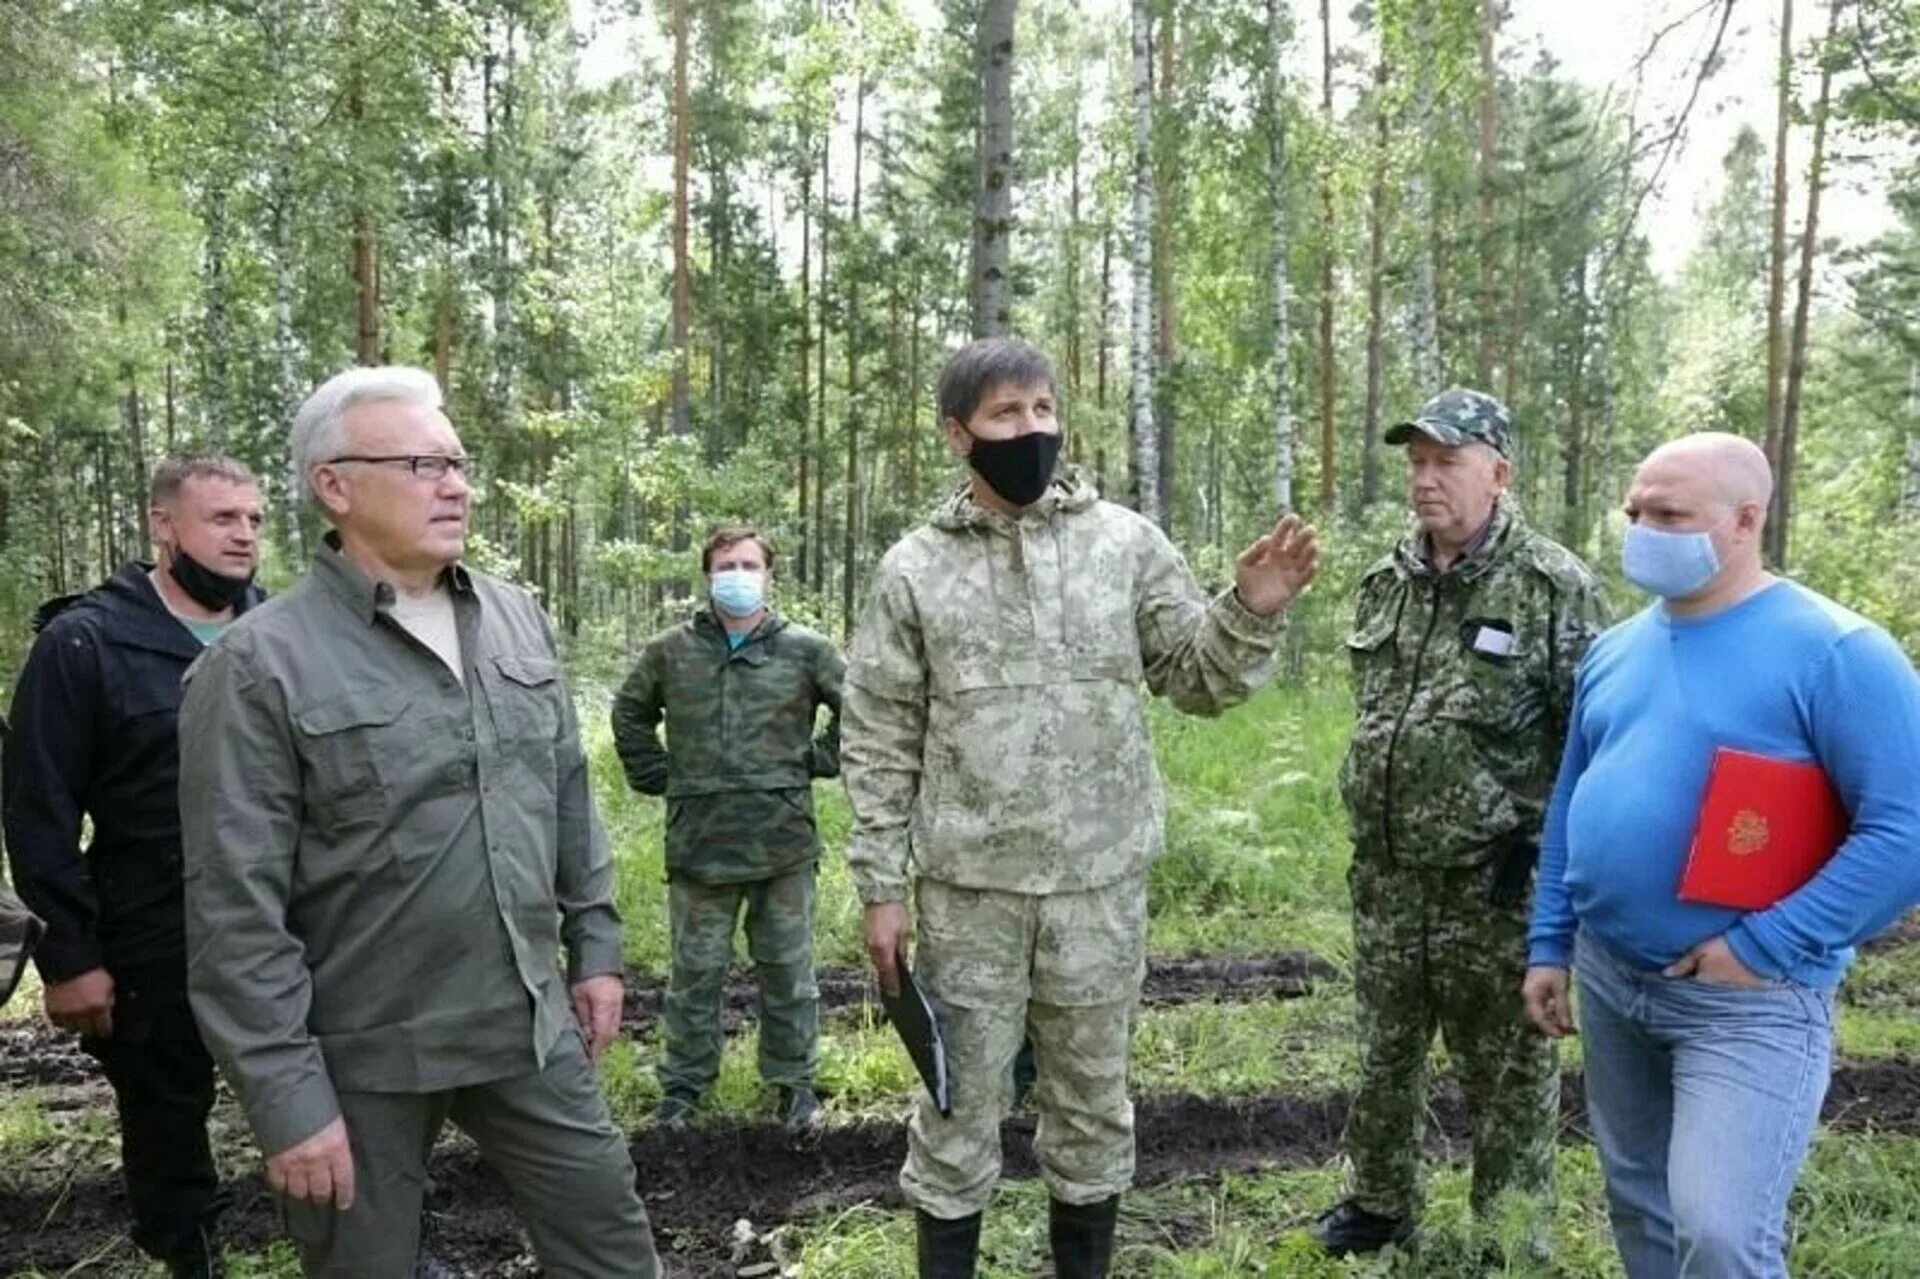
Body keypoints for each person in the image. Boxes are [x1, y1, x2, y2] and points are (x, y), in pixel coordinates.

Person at [842, 337, 1319, 1279]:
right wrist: (878, 885)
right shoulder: (914, 570)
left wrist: (1250, 609)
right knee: (954, 1107)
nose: (1032, 430)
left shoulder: (1124, 544)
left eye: (1044, 409)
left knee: (1094, 1106)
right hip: (968, 892)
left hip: (1098, 890)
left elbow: (1196, 677)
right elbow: (879, 735)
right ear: (957, 435)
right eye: (1006, 414)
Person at [178, 367, 659, 1278]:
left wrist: (595, 949)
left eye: (458, 462)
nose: (457, 483)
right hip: (360, 1050)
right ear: (335, 485)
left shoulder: (515, 619)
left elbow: (566, 794)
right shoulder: (257, 664)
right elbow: (233, 908)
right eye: (422, 462)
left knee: (611, 1247)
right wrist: (288, 1101)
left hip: (523, 1018)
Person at [1525, 432, 1920, 1279]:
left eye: (1669, 515)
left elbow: (1904, 830)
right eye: (1635, 511)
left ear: (1746, 520)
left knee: (1719, 1230)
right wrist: (1550, 942)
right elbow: (1572, 801)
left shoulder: (1839, 652)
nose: (1641, 529)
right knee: (1639, 1198)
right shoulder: (1615, 649)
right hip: (1611, 975)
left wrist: (1762, 946)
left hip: (1750, 999)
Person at [1313, 390, 1609, 1259]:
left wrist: (1554, 880)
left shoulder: (1553, 588)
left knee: (1510, 1074)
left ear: (1499, 472)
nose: (1426, 478)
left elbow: (1589, 747)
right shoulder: (1385, 582)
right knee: (1385, 1052)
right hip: (1390, 876)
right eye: (1417, 461)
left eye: (1447, 461)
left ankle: (1512, 1235)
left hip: (1497, 882)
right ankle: (1379, 1200)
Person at [4, 457, 266, 1277]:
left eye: (255, 520)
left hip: (281, 915)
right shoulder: (84, 641)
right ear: (163, 524)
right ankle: (191, 1256)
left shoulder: (282, 629)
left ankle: (376, 1244)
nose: (244, 536)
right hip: (151, 921)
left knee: (339, 1088)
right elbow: (39, 811)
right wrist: (71, 958)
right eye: (223, 517)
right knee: (166, 1110)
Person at [611, 525, 844, 1131]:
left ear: (769, 575)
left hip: (783, 844)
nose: (736, 575)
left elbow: (862, 711)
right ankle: (683, 1091)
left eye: (748, 564)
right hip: (700, 846)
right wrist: (658, 774)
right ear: (707, 575)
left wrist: (814, 761)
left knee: (789, 974)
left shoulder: (807, 650)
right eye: (724, 565)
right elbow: (629, 712)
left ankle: (795, 1087)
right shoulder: (671, 651)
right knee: (694, 977)